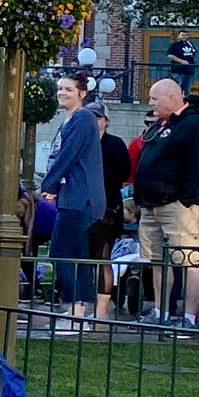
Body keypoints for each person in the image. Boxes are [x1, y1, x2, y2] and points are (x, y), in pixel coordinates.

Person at [40, 73, 106, 332]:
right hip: (76, 197)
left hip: (80, 198)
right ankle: (77, 313)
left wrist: (49, 184)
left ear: (82, 93)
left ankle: (75, 311)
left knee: (63, 252)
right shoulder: (71, 119)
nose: (61, 92)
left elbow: (67, 155)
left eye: (68, 89)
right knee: (75, 254)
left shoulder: (83, 118)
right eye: (59, 88)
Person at [135, 77, 199, 327]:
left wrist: (187, 200)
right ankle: (160, 312)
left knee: (190, 261)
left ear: (172, 97)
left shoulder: (192, 123)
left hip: (178, 206)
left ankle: (189, 317)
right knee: (157, 260)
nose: (150, 103)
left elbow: (196, 165)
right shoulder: (161, 125)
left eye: (154, 99)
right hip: (151, 204)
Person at [87, 101, 132, 321]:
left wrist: (99, 176)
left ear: (105, 120)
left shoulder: (114, 144)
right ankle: (82, 304)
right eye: (90, 117)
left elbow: (123, 173)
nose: (93, 121)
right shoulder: (81, 141)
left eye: (97, 117)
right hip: (84, 205)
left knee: (102, 255)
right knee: (84, 255)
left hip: (108, 207)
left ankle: (102, 309)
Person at [169, 33, 197, 98]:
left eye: (186, 35)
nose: (184, 36)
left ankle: (185, 105)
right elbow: (170, 55)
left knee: (187, 89)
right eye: (182, 35)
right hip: (178, 71)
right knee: (177, 89)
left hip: (189, 70)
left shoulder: (190, 44)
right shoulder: (175, 45)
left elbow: (194, 53)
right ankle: (175, 104)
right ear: (178, 36)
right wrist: (181, 61)